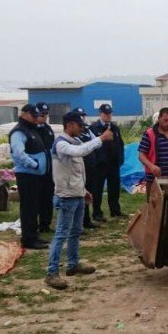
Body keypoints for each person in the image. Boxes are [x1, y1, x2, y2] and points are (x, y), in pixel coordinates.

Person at [45, 111, 113, 290]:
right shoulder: (61, 144)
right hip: (66, 196)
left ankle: (73, 264)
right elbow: (81, 151)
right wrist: (101, 139)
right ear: (69, 125)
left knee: (75, 231)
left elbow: (77, 170)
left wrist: (83, 190)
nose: (81, 128)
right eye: (78, 125)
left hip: (76, 194)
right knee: (61, 234)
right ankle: (51, 272)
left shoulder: (73, 141)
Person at [9, 104, 49, 249]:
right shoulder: (19, 132)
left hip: (36, 175)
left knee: (35, 206)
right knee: (28, 207)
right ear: (23, 114)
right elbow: (19, 153)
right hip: (27, 175)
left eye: (37, 115)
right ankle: (28, 239)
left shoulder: (31, 129)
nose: (36, 118)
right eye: (33, 115)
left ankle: (34, 234)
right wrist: (34, 164)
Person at [89, 103, 126, 219]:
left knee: (114, 188)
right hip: (100, 164)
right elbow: (90, 146)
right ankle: (97, 212)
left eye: (110, 113)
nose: (108, 116)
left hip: (113, 163)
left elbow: (120, 144)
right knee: (97, 189)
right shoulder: (94, 128)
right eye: (105, 114)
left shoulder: (115, 128)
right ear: (100, 114)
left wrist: (120, 159)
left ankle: (115, 210)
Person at [138, 107, 168, 191]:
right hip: (154, 179)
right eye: (165, 120)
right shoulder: (149, 133)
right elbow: (141, 155)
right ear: (159, 119)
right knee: (155, 203)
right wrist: (151, 166)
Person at [73, 107, 99, 230]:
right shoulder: (72, 135)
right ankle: (80, 222)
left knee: (89, 193)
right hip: (80, 167)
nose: (82, 118)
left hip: (91, 166)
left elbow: (96, 143)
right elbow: (82, 147)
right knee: (80, 194)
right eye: (79, 116)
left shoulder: (87, 131)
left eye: (83, 115)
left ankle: (87, 220)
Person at [34, 102, 55, 235]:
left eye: (46, 114)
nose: (44, 117)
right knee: (36, 197)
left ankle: (45, 223)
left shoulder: (48, 128)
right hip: (36, 169)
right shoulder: (32, 129)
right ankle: (35, 224)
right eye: (42, 114)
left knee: (48, 197)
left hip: (48, 168)